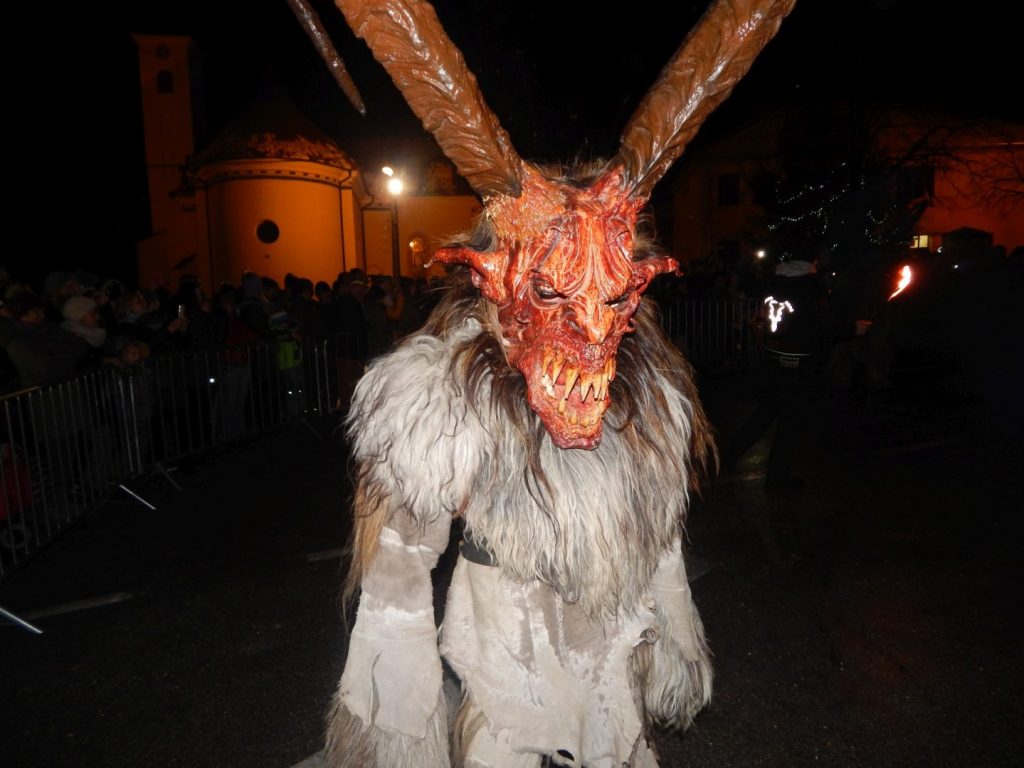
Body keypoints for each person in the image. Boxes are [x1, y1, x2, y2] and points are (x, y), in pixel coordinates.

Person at [720, 254, 828, 491]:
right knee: (789, 421)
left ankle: (728, 457)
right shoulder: (808, 291)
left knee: (764, 413)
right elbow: (819, 326)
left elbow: (761, 318)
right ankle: (777, 477)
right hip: (797, 365)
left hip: (773, 361)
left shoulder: (774, 286)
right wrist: (852, 328)